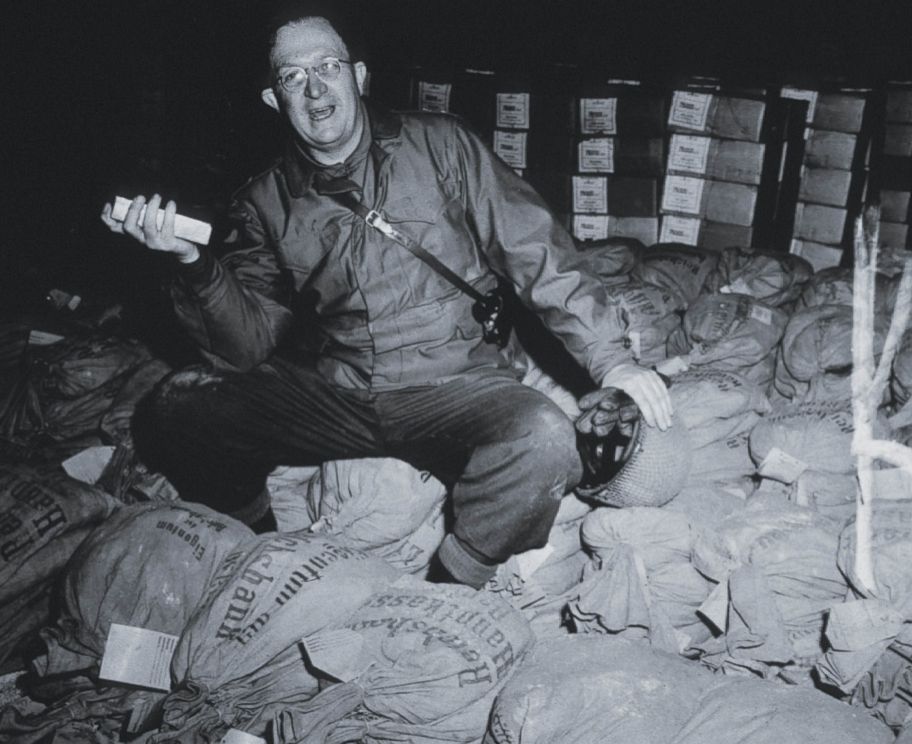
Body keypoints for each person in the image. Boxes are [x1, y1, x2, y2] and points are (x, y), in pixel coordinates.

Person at [100, 7, 672, 588]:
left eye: (328, 66)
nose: (315, 87)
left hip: (456, 384)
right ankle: (259, 546)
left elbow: (536, 250)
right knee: (178, 406)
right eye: (293, 77)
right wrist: (192, 263)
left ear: (360, 76)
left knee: (547, 439)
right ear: (274, 100)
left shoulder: (441, 146)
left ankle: (450, 587)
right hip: (339, 391)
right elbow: (246, 347)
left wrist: (612, 358)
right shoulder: (262, 202)